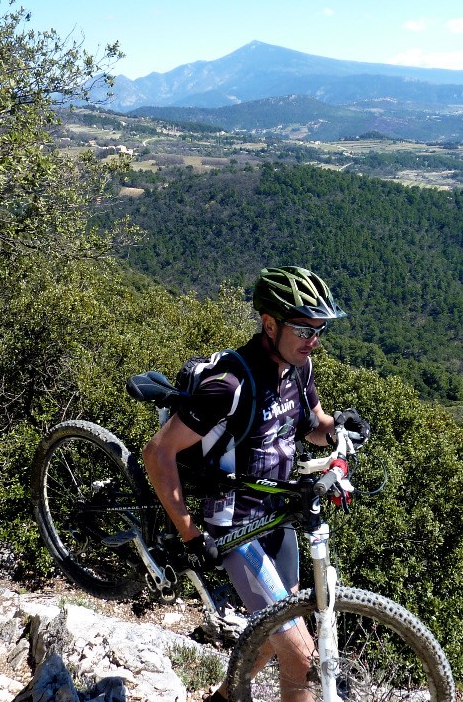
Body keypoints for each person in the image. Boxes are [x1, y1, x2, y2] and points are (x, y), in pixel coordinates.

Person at [142, 266, 370, 702]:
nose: (314, 339)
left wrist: (339, 427)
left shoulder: (298, 367)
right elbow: (159, 452)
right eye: (304, 328)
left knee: (284, 628)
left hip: (279, 514)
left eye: (319, 329)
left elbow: (309, 424)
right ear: (269, 324)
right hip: (234, 522)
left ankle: (223, 699)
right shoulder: (228, 385)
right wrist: (190, 532)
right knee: (302, 655)